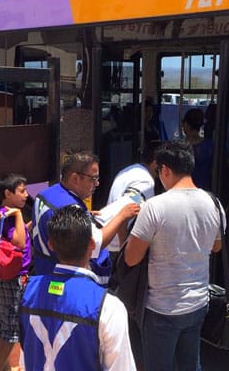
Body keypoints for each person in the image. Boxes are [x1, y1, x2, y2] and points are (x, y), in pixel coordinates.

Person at [124, 140, 224, 371]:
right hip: (199, 303)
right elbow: (216, 247)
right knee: (191, 364)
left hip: (162, 308)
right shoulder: (214, 203)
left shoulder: (155, 206)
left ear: (165, 170)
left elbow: (131, 258)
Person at [20, 206, 136, 371]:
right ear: (92, 244)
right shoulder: (108, 306)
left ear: (51, 245)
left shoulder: (28, 291)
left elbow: (26, 357)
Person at [32, 151, 140, 286]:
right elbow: (96, 244)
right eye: (93, 178)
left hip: (45, 270)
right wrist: (122, 216)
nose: (97, 183)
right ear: (75, 178)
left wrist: (86, 214)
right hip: (70, 280)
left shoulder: (44, 194)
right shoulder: (69, 207)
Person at [0, 173, 32, 371]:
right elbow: (20, 242)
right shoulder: (6, 214)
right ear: (8, 193)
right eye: (21, 191)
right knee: (10, 331)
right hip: (12, 279)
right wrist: (19, 215)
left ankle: (5, 367)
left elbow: (18, 234)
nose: (26, 195)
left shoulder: (5, 214)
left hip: (8, 277)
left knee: (7, 326)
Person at [106, 142, 158, 266]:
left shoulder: (129, 170)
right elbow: (125, 210)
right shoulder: (145, 182)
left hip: (111, 243)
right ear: (156, 163)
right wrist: (125, 249)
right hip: (118, 246)